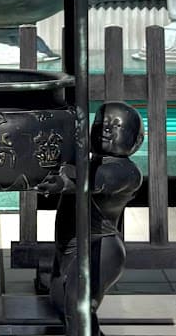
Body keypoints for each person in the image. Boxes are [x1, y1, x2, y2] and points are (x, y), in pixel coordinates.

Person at [48, 102, 143, 335]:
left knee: (78, 306)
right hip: (70, 248)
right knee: (64, 303)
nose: (106, 129)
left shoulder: (126, 172)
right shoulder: (89, 163)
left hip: (100, 248)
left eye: (116, 125)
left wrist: (59, 176)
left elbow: (93, 181)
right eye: (100, 123)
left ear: (136, 140)